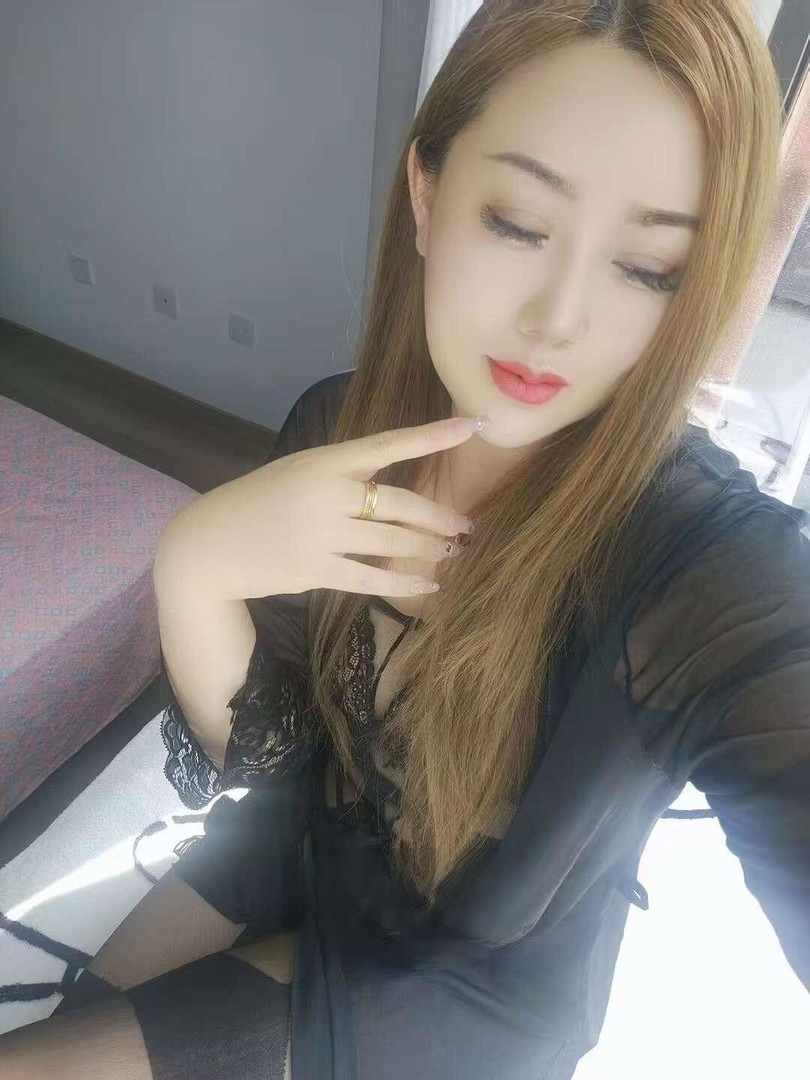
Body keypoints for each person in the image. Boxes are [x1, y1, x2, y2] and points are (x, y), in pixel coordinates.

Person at [2, 2, 808, 1078]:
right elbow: (269, 756)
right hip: (297, 854)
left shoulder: (709, 571)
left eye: (650, 268)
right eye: (518, 222)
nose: (558, 320)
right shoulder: (336, 432)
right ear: (428, 196)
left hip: (460, 981)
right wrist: (193, 563)